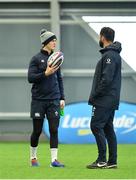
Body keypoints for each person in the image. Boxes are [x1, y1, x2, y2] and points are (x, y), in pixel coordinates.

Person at [28, 29, 65, 167]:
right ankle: (33, 157)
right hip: (38, 100)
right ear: (46, 42)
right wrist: (45, 73)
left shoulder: (56, 58)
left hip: (54, 100)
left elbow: (59, 79)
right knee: (37, 131)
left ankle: (54, 160)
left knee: (54, 130)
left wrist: (62, 98)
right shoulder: (36, 59)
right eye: (52, 40)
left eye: (55, 40)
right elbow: (30, 78)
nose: (55, 42)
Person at [86, 27, 122, 169]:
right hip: (109, 99)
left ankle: (101, 160)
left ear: (102, 37)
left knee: (95, 126)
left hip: (104, 99)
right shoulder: (112, 55)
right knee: (107, 128)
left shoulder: (109, 56)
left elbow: (106, 80)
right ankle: (112, 161)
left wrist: (95, 94)